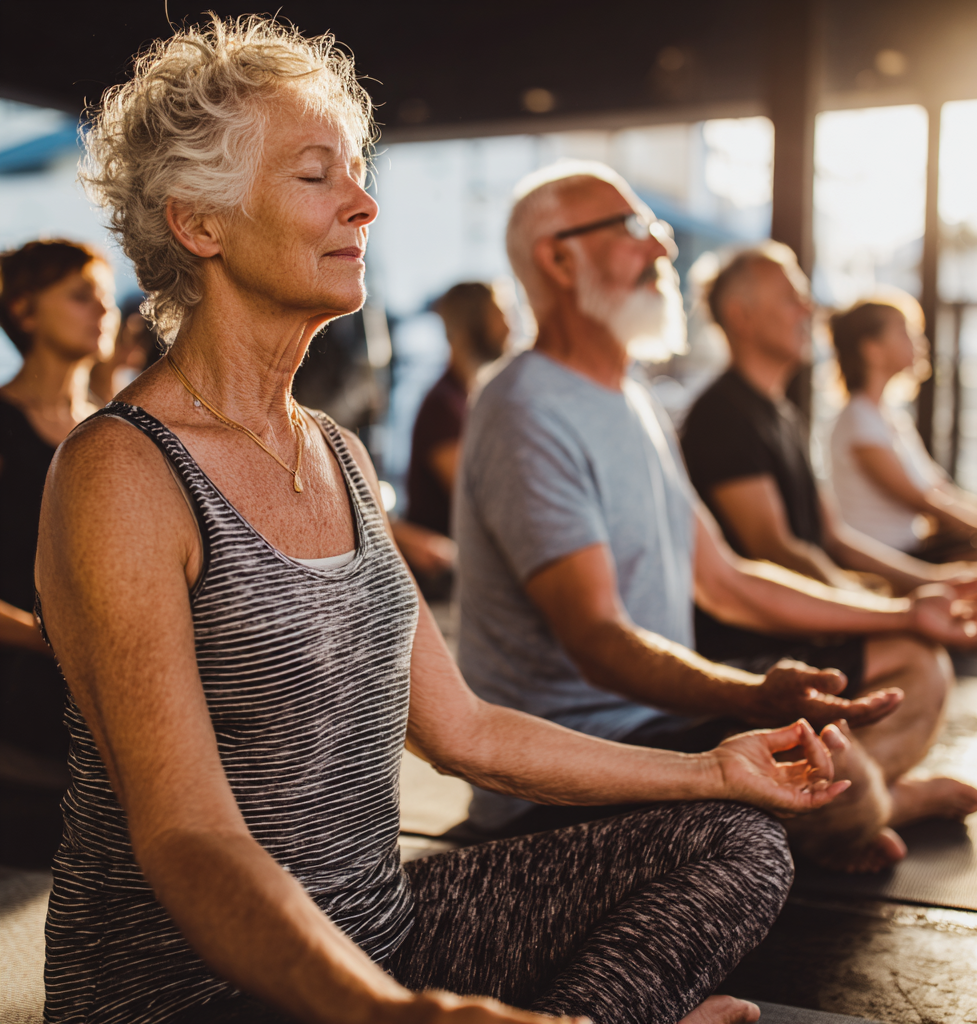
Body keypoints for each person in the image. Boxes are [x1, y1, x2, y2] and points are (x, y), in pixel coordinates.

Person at [36, 19, 849, 1024]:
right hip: (190, 991)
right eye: (314, 175)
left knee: (734, 835)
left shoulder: (332, 449)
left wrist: (708, 767)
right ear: (200, 223)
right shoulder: (119, 469)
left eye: (359, 170)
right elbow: (187, 837)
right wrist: (378, 1011)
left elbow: (463, 730)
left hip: (381, 929)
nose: (364, 202)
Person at [454, 160, 977, 875]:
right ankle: (871, 802)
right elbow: (596, 638)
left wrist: (908, 614)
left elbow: (725, 577)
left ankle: (861, 801)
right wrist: (750, 697)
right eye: (634, 229)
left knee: (914, 665)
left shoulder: (633, 398)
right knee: (829, 784)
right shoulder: (523, 408)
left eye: (655, 229)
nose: (663, 248)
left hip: (664, 719)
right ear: (558, 258)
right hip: (575, 770)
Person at [0, 238, 117, 868]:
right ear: (24, 312)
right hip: (16, 735)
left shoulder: (111, 433)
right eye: (80, 295)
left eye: (103, 297)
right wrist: (51, 638)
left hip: (99, 729)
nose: (102, 310)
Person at [829, 294, 977, 585]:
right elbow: (924, 502)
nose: (920, 341)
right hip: (888, 561)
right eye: (904, 332)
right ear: (872, 349)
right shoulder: (858, 420)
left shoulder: (890, 417)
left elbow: (940, 489)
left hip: (913, 547)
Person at [393, 282, 510, 599]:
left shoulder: (470, 398)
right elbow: (479, 497)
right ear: (473, 322)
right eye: (498, 314)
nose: (509, 325)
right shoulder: (444, 405)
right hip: (439, 577)